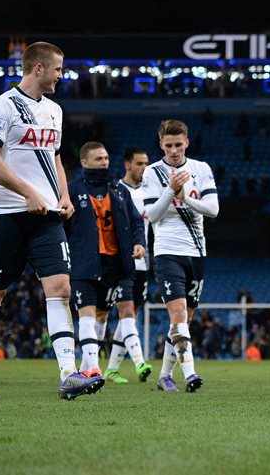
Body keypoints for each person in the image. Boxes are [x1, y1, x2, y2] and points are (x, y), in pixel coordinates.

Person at [0, 41, 102, 401]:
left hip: (47, 217)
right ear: (39, 68)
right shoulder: (3, 105)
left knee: (60, 289)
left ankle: (68, 374)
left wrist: (62, 194)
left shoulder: (55, 111)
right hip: (5, 214)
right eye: (58, 68)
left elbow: (54, 157)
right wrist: (26, 192)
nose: (62, 75)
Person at [142, 119, 219, 393]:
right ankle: (190, 374)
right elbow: (151, 215)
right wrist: (169, 190)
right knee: (178, 316)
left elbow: (213, 210)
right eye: (168, 145)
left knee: (185, 319)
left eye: (178, 144)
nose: (173, 150)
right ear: (160, 144)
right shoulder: (152, 173)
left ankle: (165, 376)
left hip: (196, 252)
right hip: (166, 252)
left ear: (186, 142)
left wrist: (185, 198)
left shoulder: (201, 169)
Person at [65, 142, 151, 384]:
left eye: (105, 158)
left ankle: (87, 366)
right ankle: (93, 368)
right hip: (85, 263)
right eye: (99, 159)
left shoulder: (118, 189)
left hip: (115, 263)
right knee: (87, 315)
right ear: (84, 162)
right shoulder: (72, 190)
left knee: (102, 314)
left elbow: (136, 222)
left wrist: (139, 243)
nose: (104, 162)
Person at [109, 146, 152, 381]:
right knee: (125, 312)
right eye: (139, 164)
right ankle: (140, 363)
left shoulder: (149, 192)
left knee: (130, 317)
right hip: (120, 262)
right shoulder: (116, 191)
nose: (144, 168)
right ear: (127, 164)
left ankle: (112, 369)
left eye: (146, 164)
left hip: (143, 263)